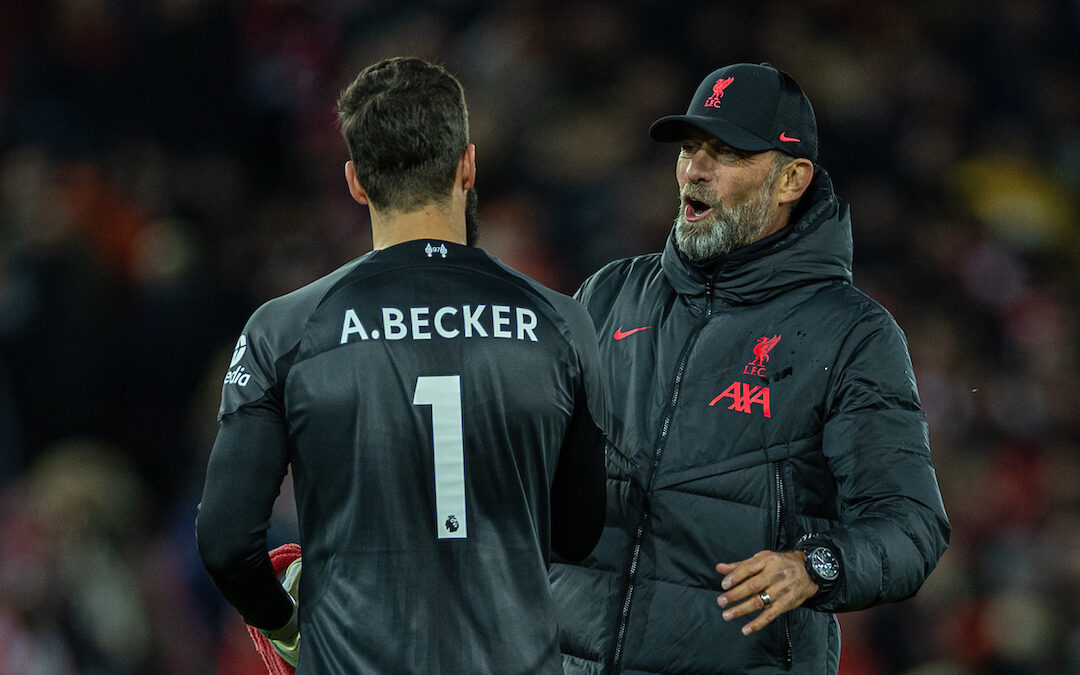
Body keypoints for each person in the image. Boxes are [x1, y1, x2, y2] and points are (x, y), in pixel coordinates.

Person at [195, 56, 608, 674]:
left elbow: (226, 542)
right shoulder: (561, 322)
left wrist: (288, 625)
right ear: (468, 165)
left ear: (356, 181)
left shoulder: (286, 330)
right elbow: (578, 535)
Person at [550, 62, 950, 674]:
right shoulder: (609, 296)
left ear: (791, 179)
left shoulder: (850, 334)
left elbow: (911, 526)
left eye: (728, 153)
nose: (695, 169)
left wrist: (813, 566)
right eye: (689, 149)